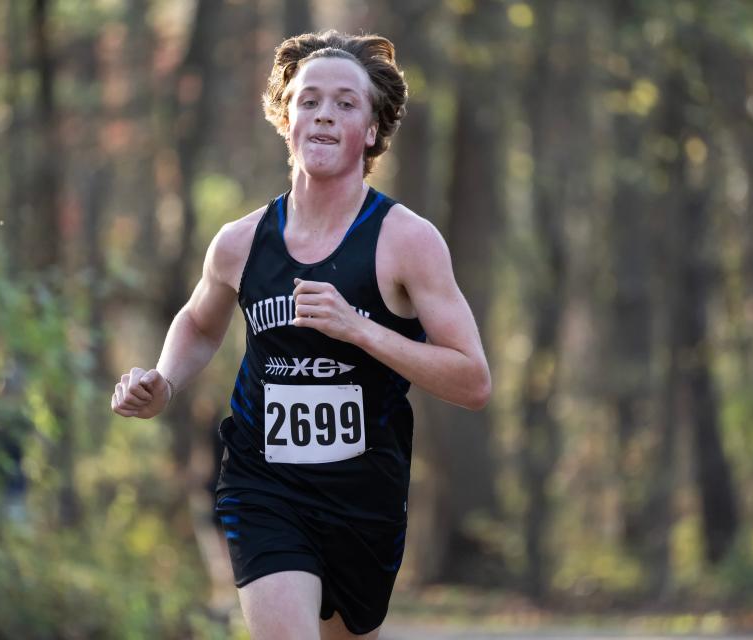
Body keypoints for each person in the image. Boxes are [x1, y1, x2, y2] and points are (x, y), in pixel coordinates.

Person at [112, 30, 491, 640]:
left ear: (371, 132)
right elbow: (198, 323)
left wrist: (361, 330)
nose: (323, 114)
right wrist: (164, 381)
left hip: (365, 495)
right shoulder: (240, 242)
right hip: (264, 483)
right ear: (286, 117)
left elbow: (472, 380)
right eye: (309, 100)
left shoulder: (407, 242)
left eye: (345, 103)